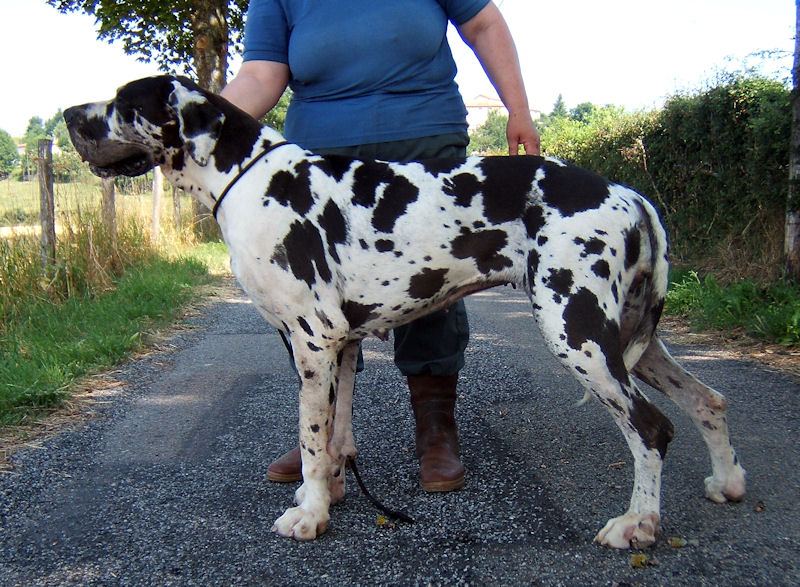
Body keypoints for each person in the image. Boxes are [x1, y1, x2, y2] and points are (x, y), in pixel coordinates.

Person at [221, 0, 540, 492]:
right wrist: (196, 125)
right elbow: (261, 74)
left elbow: (483, 23)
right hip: (320, 165)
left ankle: (436, 431)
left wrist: (518, 109)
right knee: (309, 303)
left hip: (423, 146)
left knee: (432, 288)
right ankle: (325, 438)